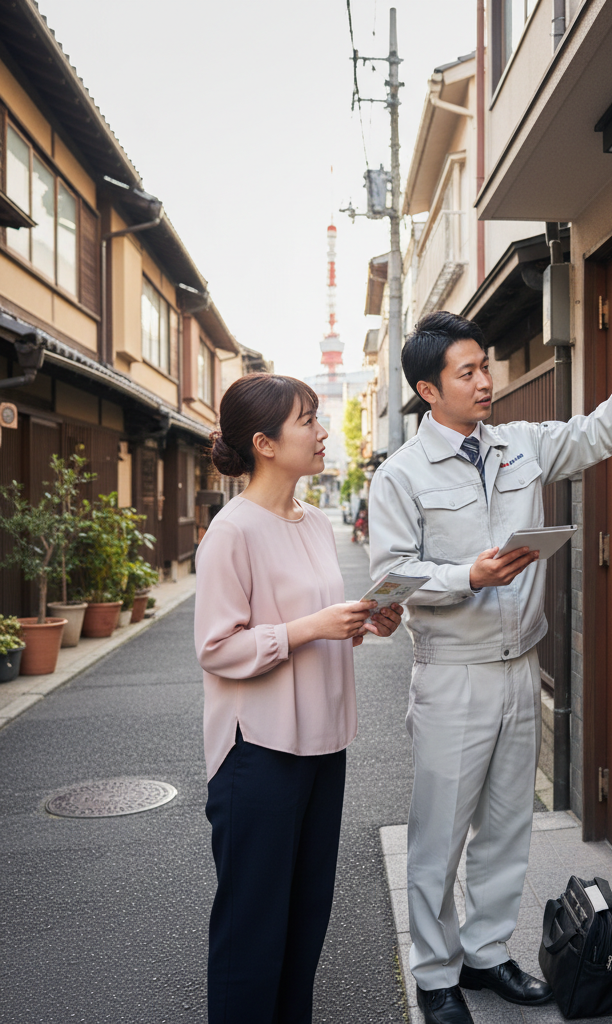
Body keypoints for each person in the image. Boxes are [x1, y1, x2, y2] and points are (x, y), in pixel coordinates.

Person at [368, 309, 612, 1024]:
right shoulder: (400, 474)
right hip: (452, 672)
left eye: (485, 366)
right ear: (429, 390)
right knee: (438, 838)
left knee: (507, 826)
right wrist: (469, 576)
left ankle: (486, 954)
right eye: (467, 372)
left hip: (521, 666)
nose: (485, 381)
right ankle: (435, 974)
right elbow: (392, 577)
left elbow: (593, 434)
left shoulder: (518, 445)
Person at [194, 373, 404, 1024]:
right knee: (252, 932)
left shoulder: (314, 522)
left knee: (305, 920)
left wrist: (361, 622)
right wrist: (311, 627)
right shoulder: (232, 531)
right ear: (264, 443)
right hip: (257, 751)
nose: (322, 432)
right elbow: (217, 647)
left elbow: (311, 623)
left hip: (322, 743)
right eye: (307, 421)